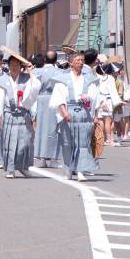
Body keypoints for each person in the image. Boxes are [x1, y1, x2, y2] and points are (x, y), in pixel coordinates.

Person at [0, 48, 40, 178]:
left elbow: (34, 91)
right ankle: (10, 169)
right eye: (12, 65)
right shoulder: (2, 80)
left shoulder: (27, 78)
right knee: (9, 143)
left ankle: (23, 167)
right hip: (9, 114)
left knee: (25, 142)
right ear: (8, 65)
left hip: (23, 114)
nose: (15, 67)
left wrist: (30, 72)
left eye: (17, 65)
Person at [51, 50, 100, 181]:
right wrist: (64, 112)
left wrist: (94, 112)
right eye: (77, 60)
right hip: (69, 111)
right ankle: (68, 168)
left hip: (84, 112)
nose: (80, 63)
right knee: (68, 143)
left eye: (82, 60)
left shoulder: (89, 78)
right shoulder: (63, 79)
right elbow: (58, 97)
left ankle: (80, 170)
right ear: (70, 62)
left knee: (83, 142)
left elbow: (95, 98)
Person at [33, 51, 61, 167]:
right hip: (53, 98)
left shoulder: (37, 72)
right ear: (56, 60)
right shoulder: (58, 72)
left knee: (41, 129)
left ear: (44, 59)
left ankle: (42, 158)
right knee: (53, 129)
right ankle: (53, 159)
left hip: (40, 99)